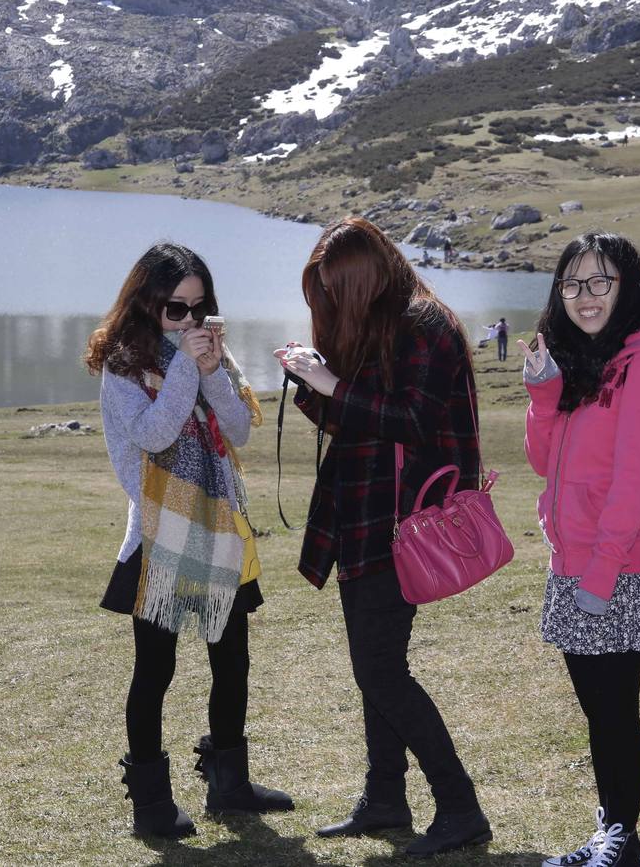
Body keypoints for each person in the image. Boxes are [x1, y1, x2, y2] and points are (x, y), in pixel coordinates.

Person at [276, 217, 491, 858]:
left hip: (401, 522)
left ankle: (459, 808)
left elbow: (414, 423)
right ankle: (386, 798)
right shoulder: (384, 323)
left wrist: (330, 385)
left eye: (340, 291)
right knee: (375, 669)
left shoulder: (424, 324)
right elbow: (357, 419)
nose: (335, 306)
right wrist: (311, 381)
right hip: (367, 517)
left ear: (370, 278)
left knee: (381, 670)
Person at [84, 242, 292, 840]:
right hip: (160, 537)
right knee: (156, 670)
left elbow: (240, 430)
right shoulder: (122, 367)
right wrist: (185, 369)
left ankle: (230, 783)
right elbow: (152, 436)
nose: (190, 322)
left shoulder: (207, 355)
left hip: (222, 528)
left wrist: (211, 371)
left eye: (200, 310)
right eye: (177, 309)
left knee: (233, 661)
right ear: (147, 304)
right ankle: (150, 802)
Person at [519, 231, 640, 867]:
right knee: (598, 711)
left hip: (616, 565)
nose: (584, 296)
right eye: (572, 283)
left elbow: (636, 476)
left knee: (616, 709)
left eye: (600, 282)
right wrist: (543, 392)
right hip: (574, 563)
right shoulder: (585, 363)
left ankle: (623, 838)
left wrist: (600, 572)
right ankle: (611, 833)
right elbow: (543, 462)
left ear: (628, 287)